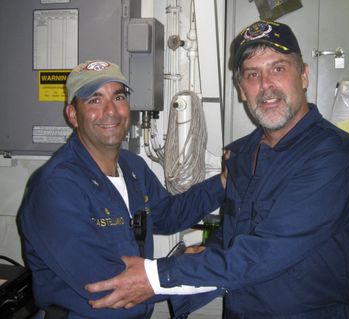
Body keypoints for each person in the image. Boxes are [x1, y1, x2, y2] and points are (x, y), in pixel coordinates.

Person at [86, 20, 349, 319]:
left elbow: (265, 251)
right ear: (240, 89)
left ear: (303, 75)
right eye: (252, 74)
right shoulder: (241, 155)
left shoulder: (333, 155)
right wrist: (209, 251)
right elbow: (235, 233)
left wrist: (156, 276)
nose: (266, 86)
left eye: (278, 68)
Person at [18, 60, 226, 319]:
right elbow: (106, 283)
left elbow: (169, 215)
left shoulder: (132, 167)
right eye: (94, 100)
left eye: (118, 97)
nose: (110, 111)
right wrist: (187, 266)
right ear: (72, 115)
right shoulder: (55, 188)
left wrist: (223, 182)